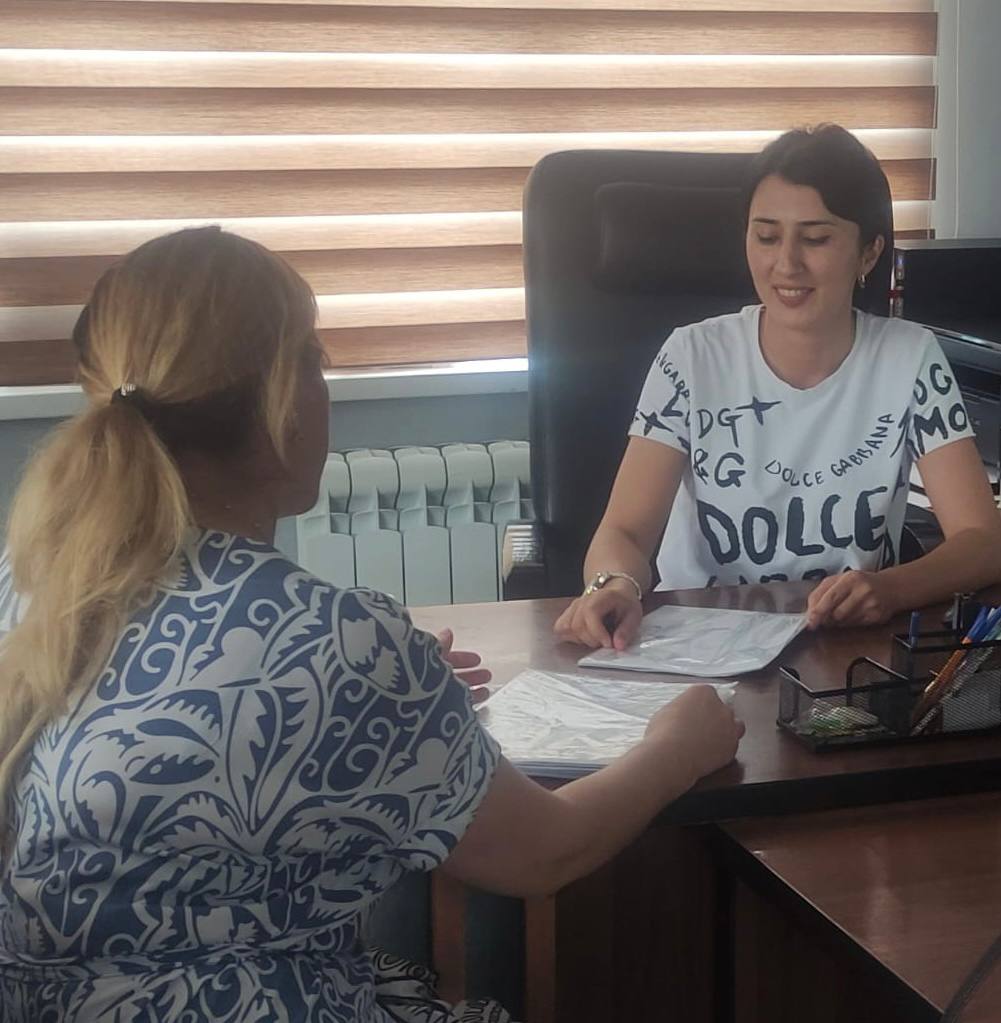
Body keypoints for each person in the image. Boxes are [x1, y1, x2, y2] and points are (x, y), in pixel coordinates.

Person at [0, 227, 743, 1023]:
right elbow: (544, 850)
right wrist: (677, 746)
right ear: (281, 402)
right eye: (314, 358)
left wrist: (381, 688)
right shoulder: (329, 643)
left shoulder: (34, 579)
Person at [556, 124, 1001, 652]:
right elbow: (625, 532)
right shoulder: (692, 357)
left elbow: (983, 540)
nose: (786, 264)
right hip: (699, 643)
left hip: (841, 648)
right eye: (766, 236)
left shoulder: (909, 357)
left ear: (868, 253)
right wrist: (615, 585)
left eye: (815, 239)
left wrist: (891, 588)